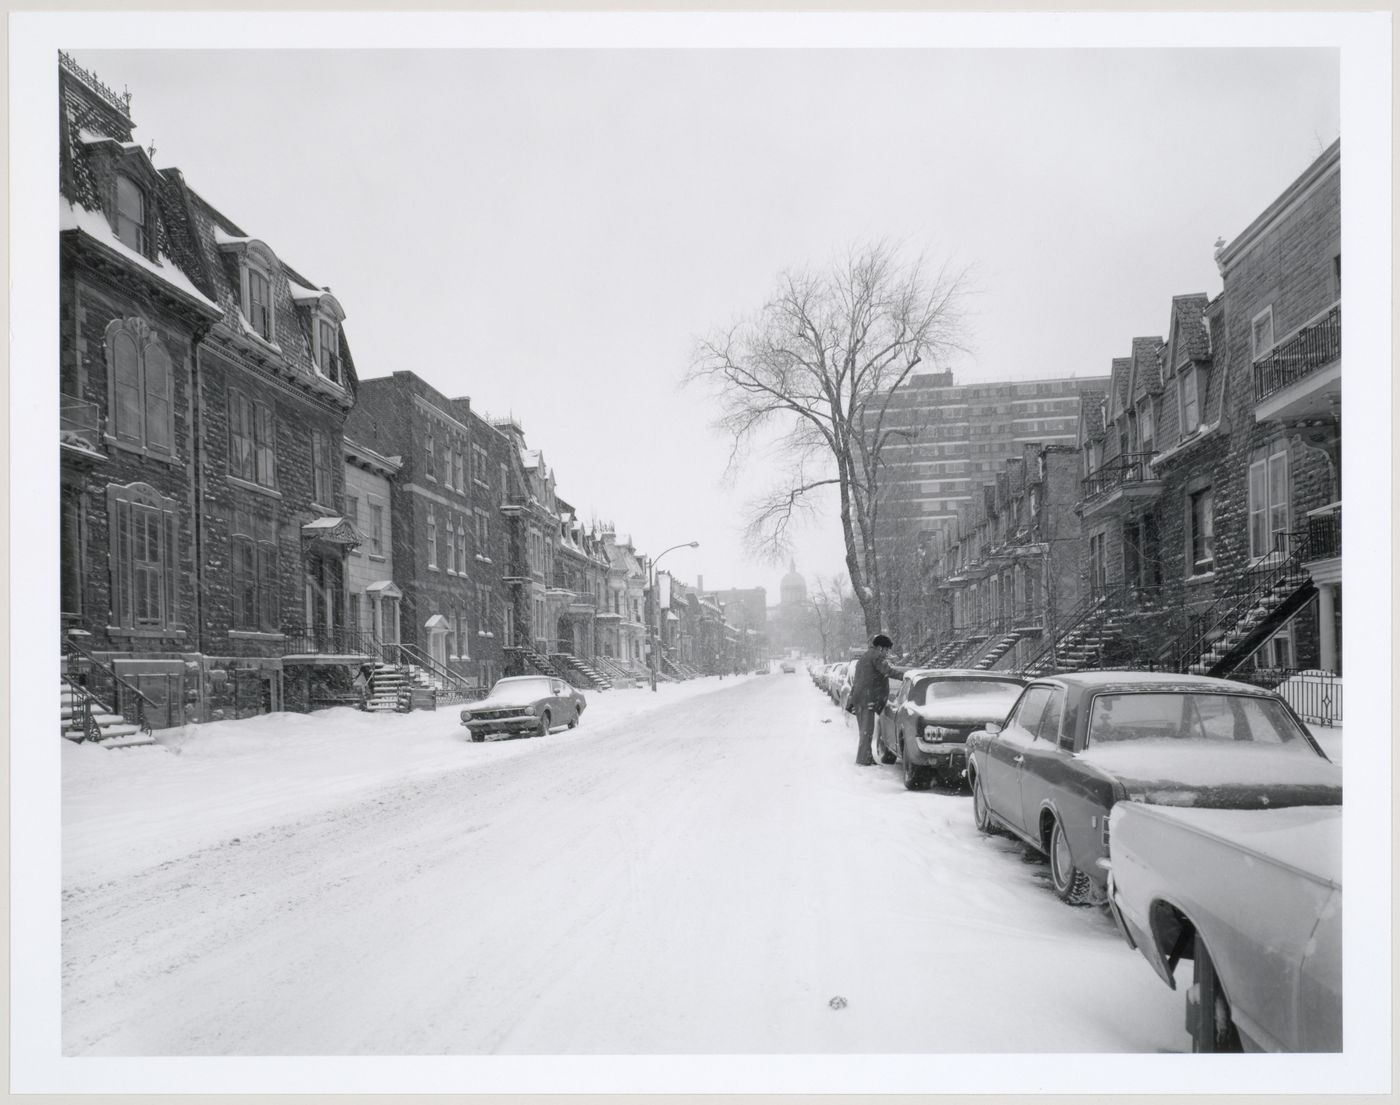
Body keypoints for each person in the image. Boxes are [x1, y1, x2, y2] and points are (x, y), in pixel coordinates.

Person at [848, 633, 906, 766]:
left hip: (861, 698)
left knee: (865, 731)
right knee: (866, 731)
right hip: (866, 698)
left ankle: (866, 758)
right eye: (886, 650)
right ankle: (863, 760)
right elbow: (888, 671)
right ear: (880, 648)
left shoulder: (865, 656)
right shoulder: (876, 656)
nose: (887, 653)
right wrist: (905, 676)